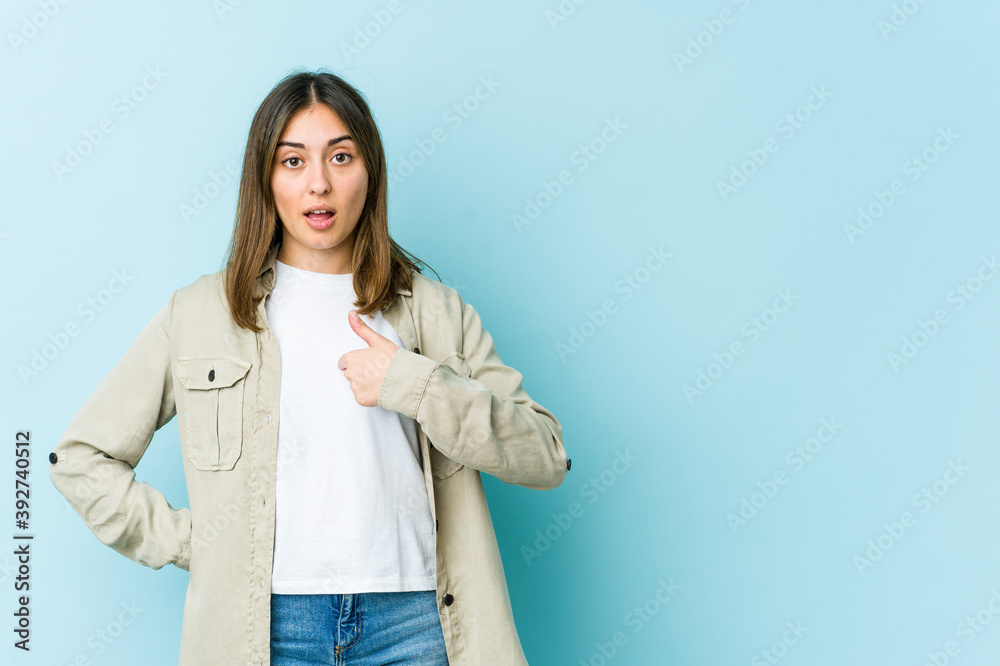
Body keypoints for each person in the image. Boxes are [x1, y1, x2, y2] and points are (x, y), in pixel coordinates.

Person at [47, 68, 571, 665]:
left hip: (416, 623)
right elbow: (82, 458)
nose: (318, 184)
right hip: (268, 627)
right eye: (293, 161)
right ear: (265, 179)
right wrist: (200, 543)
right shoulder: (199, 313)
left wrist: (417, 383)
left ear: (369, 172)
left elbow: (546, 456)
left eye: (341, 157)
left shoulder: (435, 311)